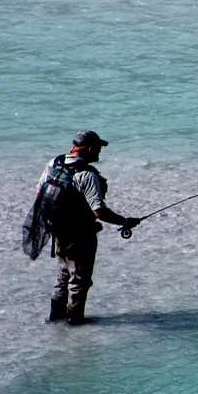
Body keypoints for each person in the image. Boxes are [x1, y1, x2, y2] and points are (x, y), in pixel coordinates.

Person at [33, 130, 141, 325]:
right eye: (98, 149)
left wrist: (46, 224)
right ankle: (75, 321)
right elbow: (99, 212)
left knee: (63, 275)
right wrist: (125, 221)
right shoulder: (87, 175)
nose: (99, 153)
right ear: (90, 149)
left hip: (56, 232)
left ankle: (56, 317)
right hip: (79, 236)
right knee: (80, 279)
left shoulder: (53, 164)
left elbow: (40, 194)